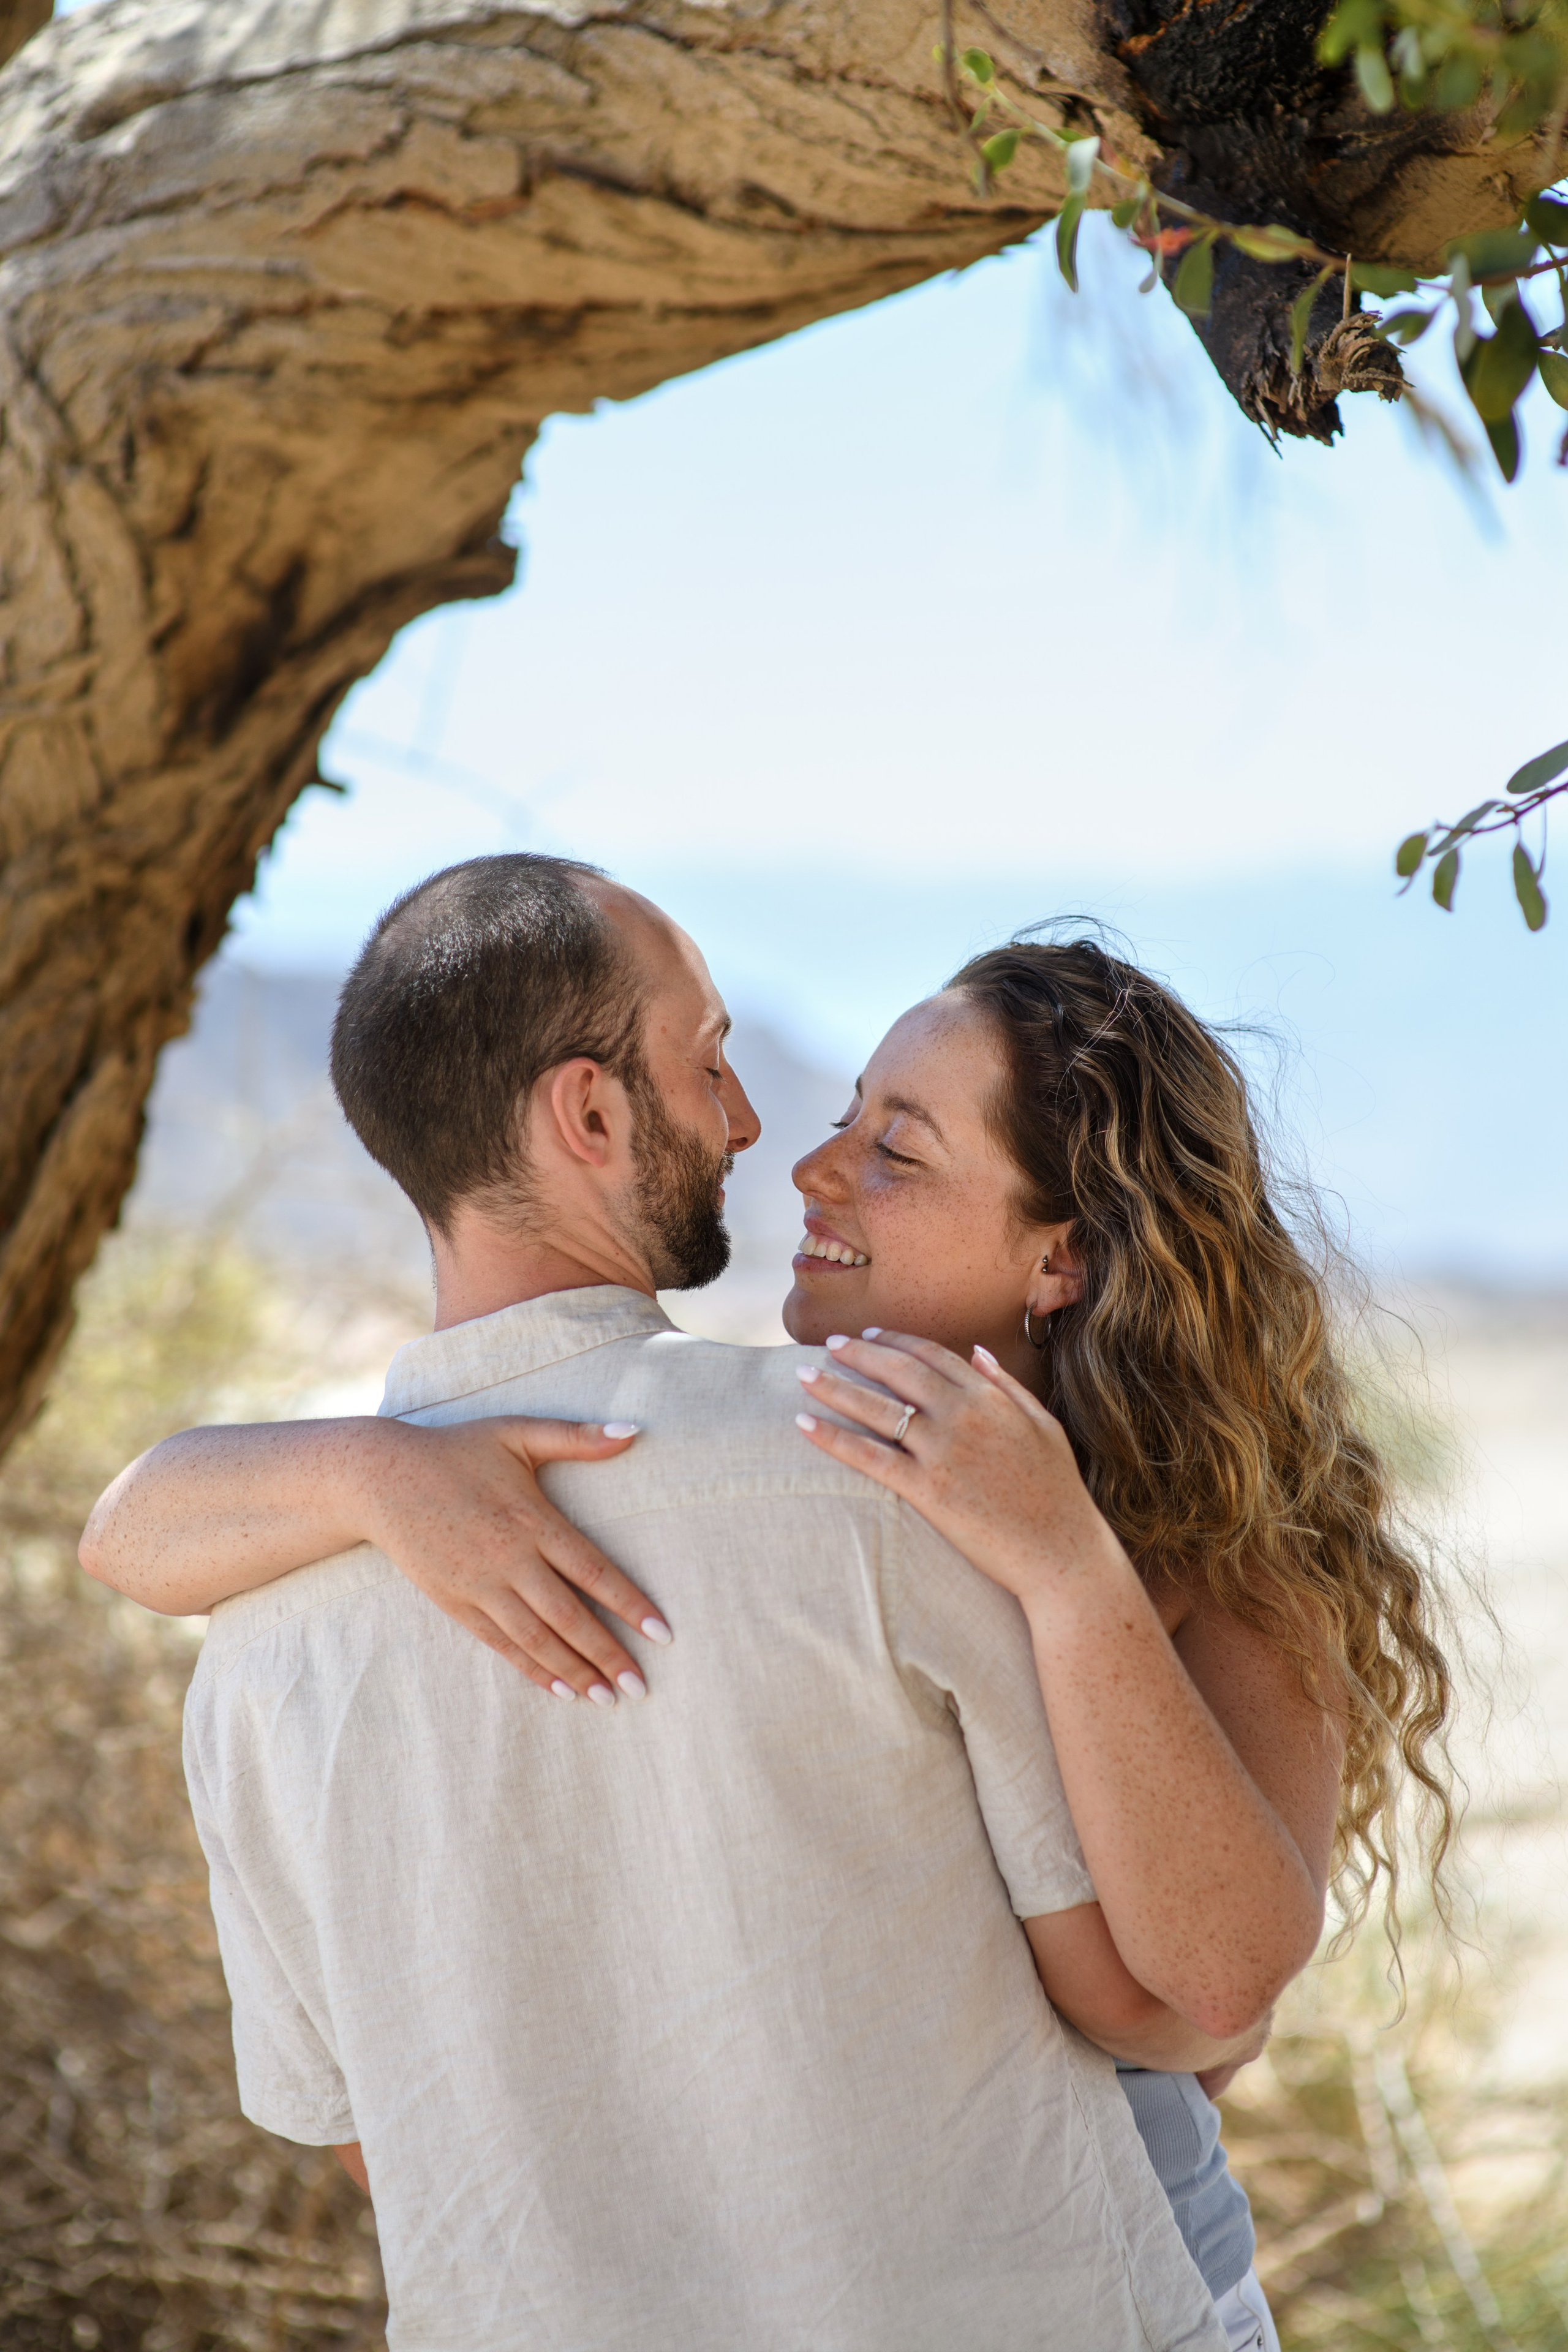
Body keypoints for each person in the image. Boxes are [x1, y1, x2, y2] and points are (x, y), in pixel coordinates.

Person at [83, 858, 1455, 2352]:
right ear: (591, 1117)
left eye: (895, 1149)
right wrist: (372, 1472)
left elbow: (1200, 1994)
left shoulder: (260, 1632)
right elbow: (1162, 2015)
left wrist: (1070, 1565)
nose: (783, 1151)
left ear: (1060, 1255)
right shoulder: (862, 1493)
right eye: (738, 1074)